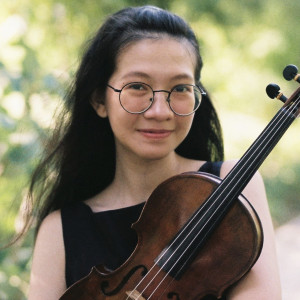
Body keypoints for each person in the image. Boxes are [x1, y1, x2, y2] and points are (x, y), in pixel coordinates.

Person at [26, 5, 281, 299]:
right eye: (137, 86)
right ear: (99, 99)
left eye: (180, 88)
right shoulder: (60, 230)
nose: (160, 111)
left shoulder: (233, 184)